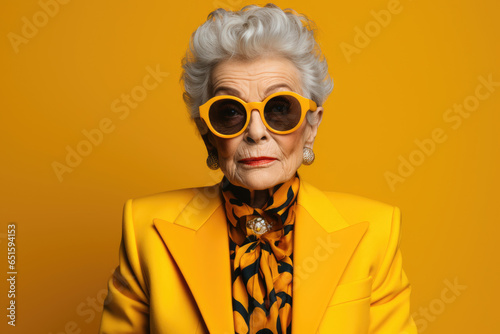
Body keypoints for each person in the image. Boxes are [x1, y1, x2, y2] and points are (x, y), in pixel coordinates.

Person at [99, 4, 417, 334]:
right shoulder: (146, 231)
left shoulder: (375, 231)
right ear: (206, 131)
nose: (255, 131)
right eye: (230, 112)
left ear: (311, 125)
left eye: (279, 108)